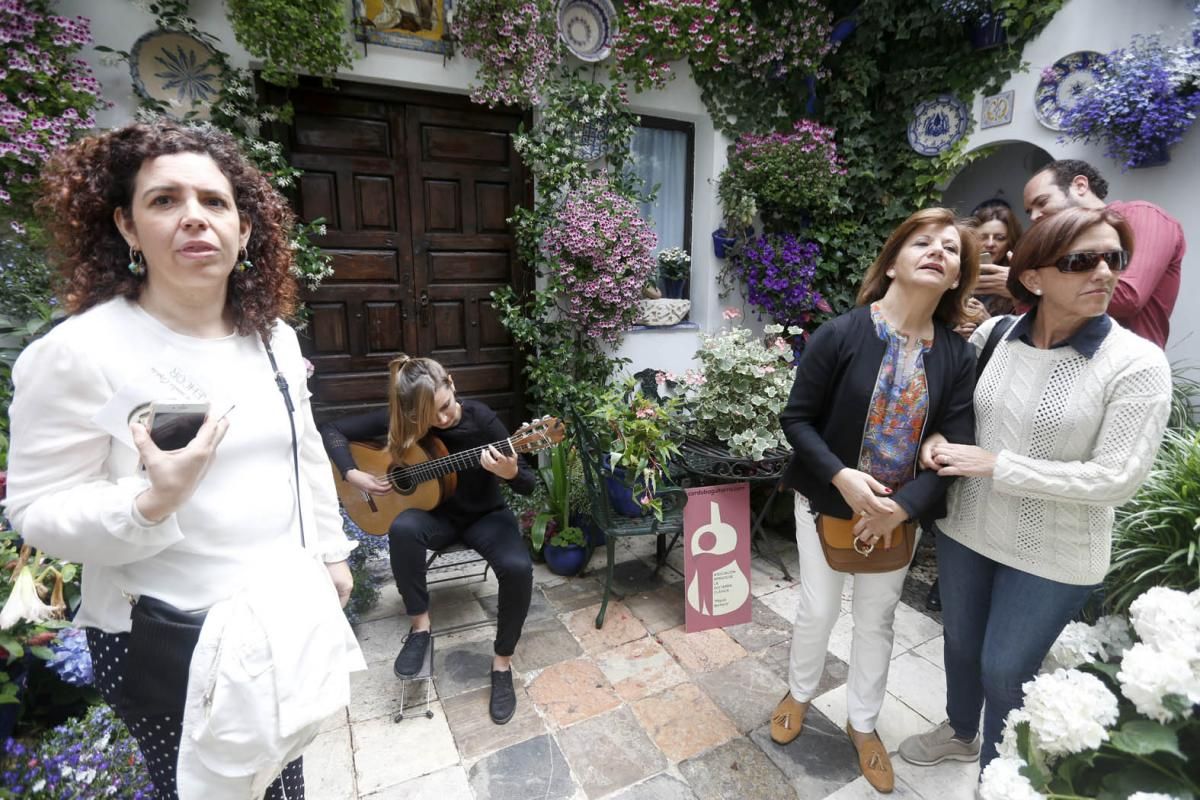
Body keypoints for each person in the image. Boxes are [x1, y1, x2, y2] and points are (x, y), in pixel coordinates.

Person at [3, 120, 362, 798]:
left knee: (281, 780)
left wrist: (332, 551)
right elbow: (35, 511)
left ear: (245, 229)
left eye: (214, 201)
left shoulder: (273, 339)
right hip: (173, 639)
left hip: (281, 622)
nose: (194, 217)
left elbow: (304, 449)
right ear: (127, 227)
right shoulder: (79, 353)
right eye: (164, 200)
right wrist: (147, 502)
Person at [898, 208, 1172, 783]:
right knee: (961, 645)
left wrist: (999, 466)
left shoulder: (1137, 363)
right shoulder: (993, 335)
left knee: (1005, 670)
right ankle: (958, 732)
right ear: (1034, 278)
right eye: (1080, 261)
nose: (1103, 272)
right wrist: (941, 438)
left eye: (1113, 259)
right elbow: (952, 408)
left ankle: (998, 777)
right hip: (969, 527)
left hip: (1055, 549)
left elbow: (1118, 478)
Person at [771, 208, 980, 793]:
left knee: (877, 620)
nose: (939, 250)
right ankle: (800, 691)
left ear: (956, 277)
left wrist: (905, 506)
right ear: (892, 262)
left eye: (951, 248)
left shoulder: (958, 357)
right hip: (827, 498)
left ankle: (864, 723)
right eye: (924, 241)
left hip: (898, 515)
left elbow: (956, 446)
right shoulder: (841, 333)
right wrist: (841, 476)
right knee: (817, 608)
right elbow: (797, 419)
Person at [321, 357, 535, 725]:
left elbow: (528, 482)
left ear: (452, 384)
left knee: (518, 568)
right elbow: (331, 430)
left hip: (484, 516)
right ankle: (420, 628)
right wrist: (354, 474)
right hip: (435, 518)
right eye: (427, 417)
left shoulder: (482, 419)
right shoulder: (402, 421)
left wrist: (511, 471)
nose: (442, 420)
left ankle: (502, 665)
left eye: (445, 407)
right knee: (403, 527)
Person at [1022, 158, 1184, 347]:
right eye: (1029, 211)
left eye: (1042, 202)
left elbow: (1128, 298)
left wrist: (1038, 286)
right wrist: (1021, 287)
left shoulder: (1142, 214)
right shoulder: (1053, 247)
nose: (1034, 217)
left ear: (1080, 185)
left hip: (1127, 366)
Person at [970, 197, 1023, 317]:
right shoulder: (957, 273)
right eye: (983, 237)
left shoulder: (1022, 276)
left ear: (1010, 242)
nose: (990, 244)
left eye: (1000, 238)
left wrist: (987, 323)